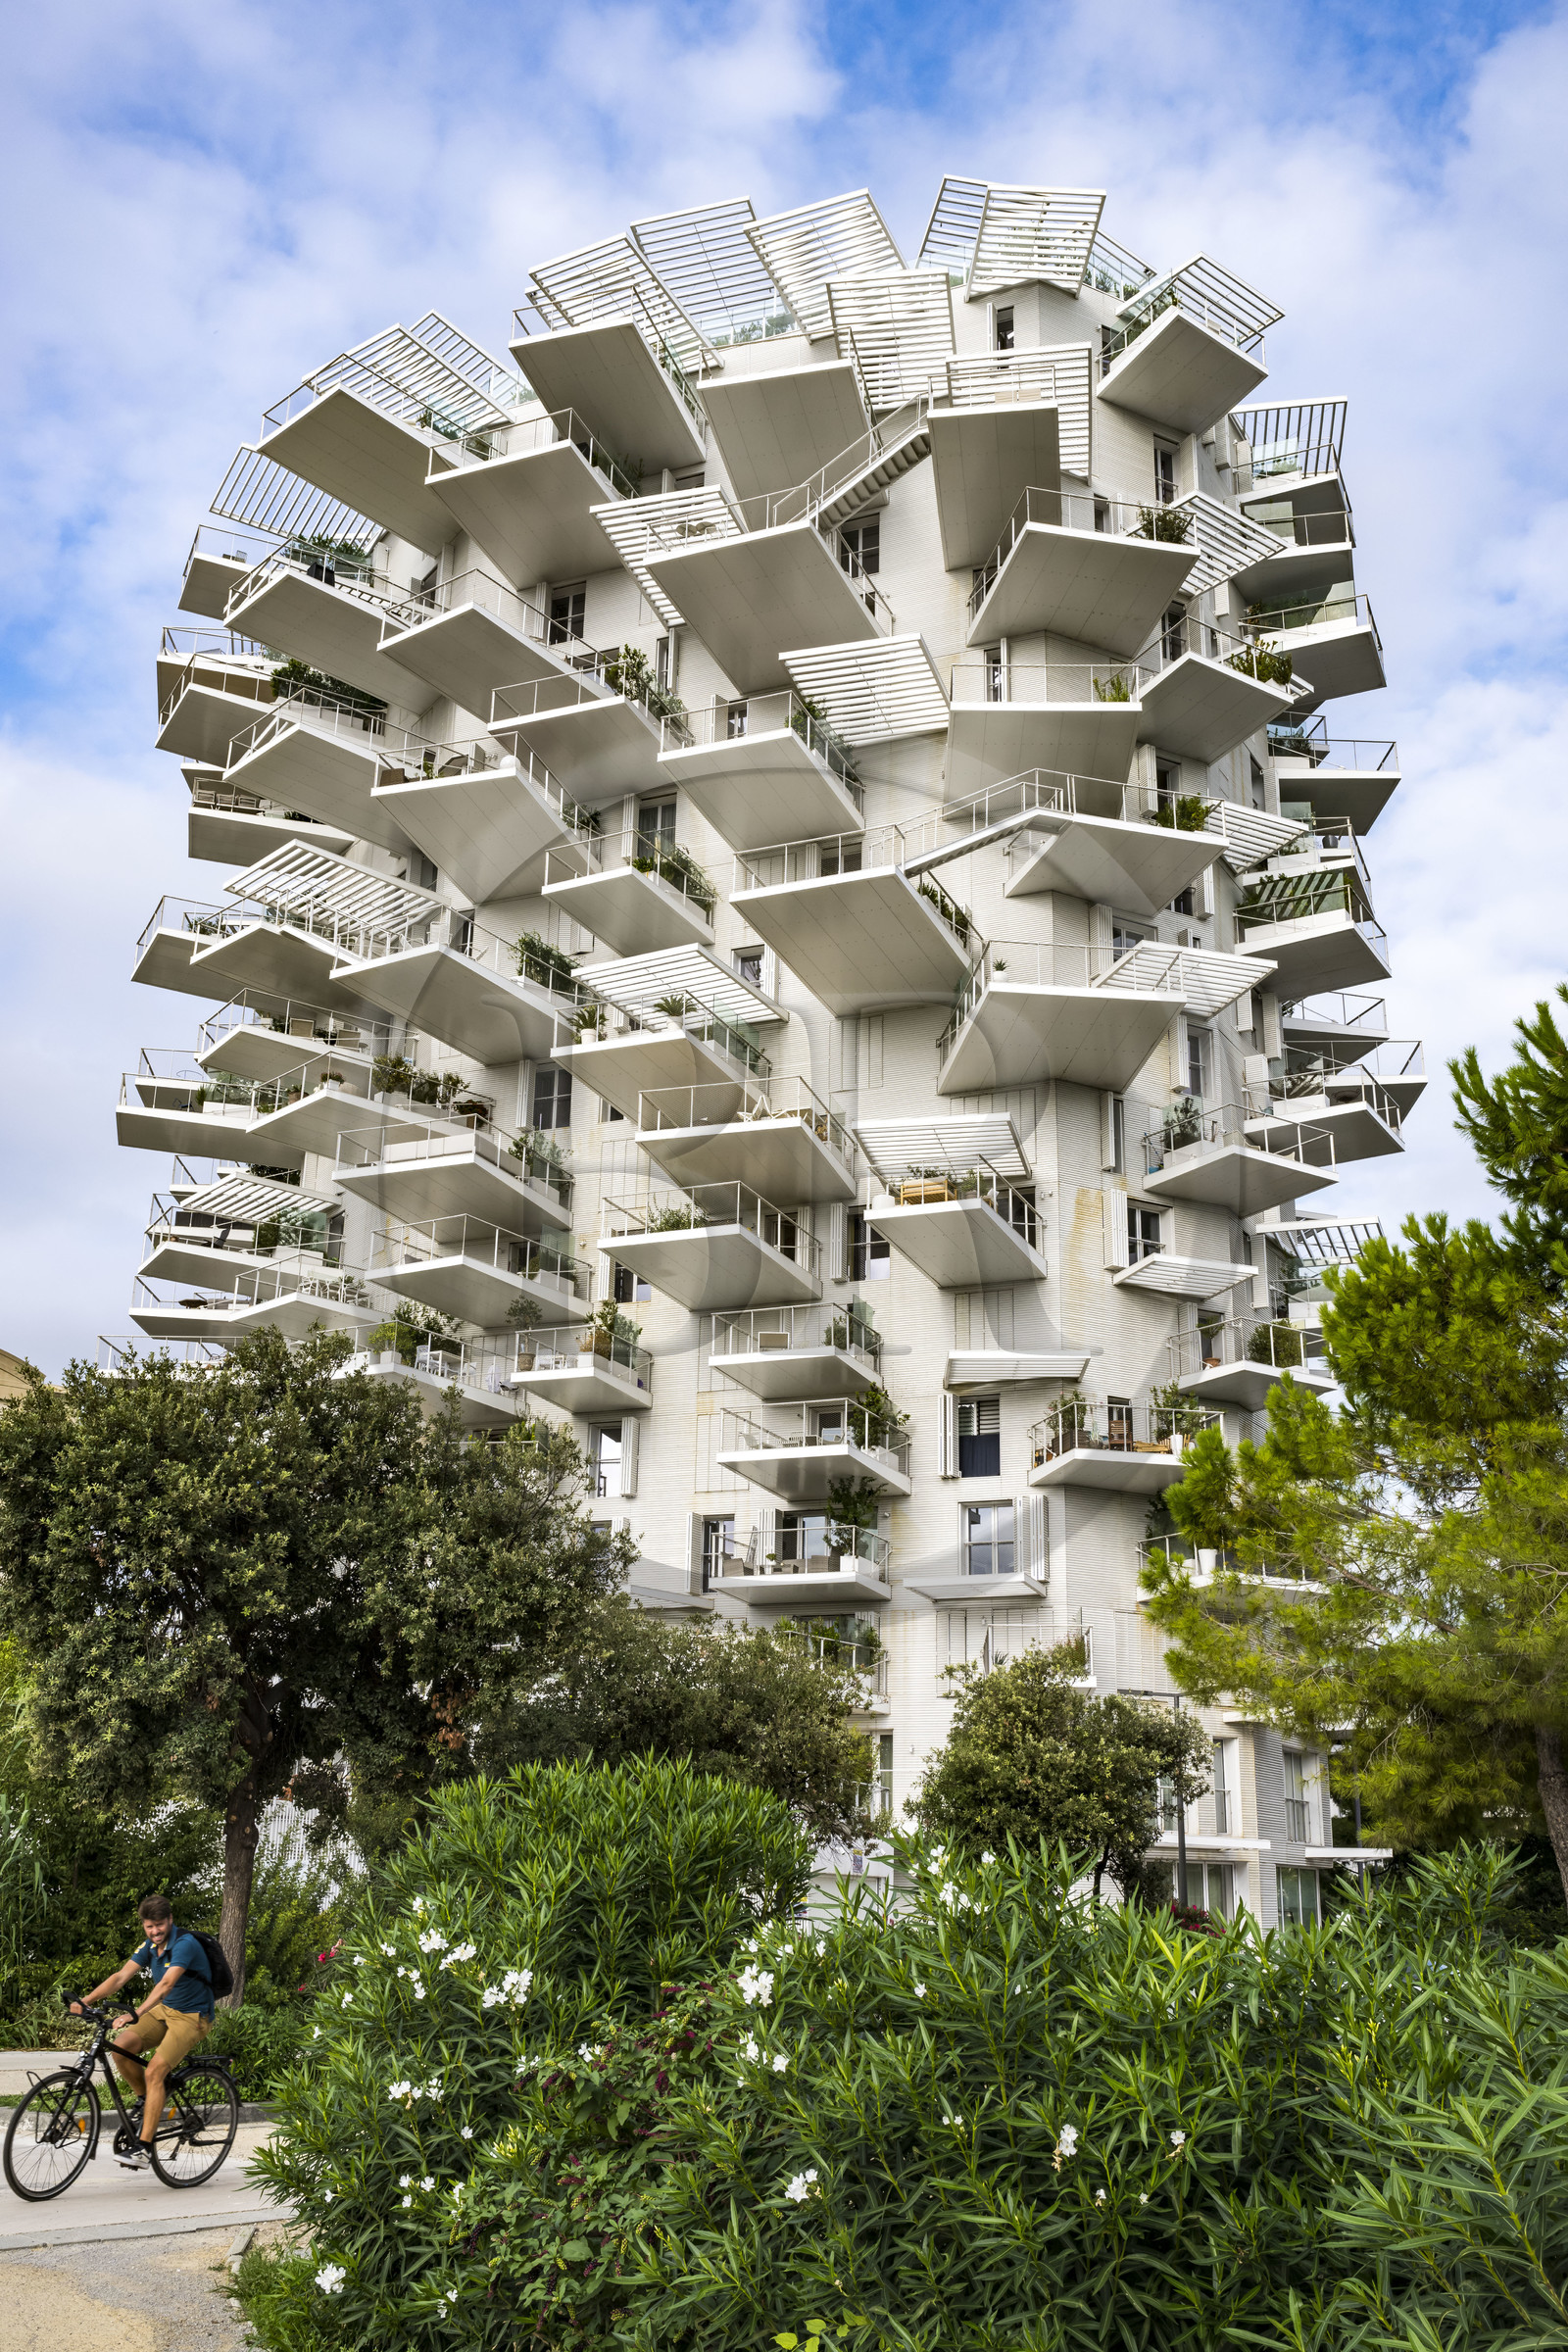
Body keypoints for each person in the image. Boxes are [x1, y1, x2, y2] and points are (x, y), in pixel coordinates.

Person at [72, 1893, 217, 2172]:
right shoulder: (150, 1945)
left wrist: (134, 2013)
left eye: (159, 1925)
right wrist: (85, 2001)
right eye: (149, 1926)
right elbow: (120, 1976)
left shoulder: (185, 1944)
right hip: (164, 2011)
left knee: (154, 2072)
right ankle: (146, 2099)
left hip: (191, 2016)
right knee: (121, 2049)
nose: (155, 1931)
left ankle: (144, 2148)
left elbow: (165, 1986)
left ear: (170, 1921)